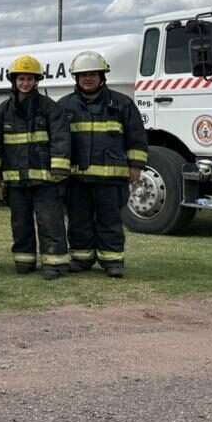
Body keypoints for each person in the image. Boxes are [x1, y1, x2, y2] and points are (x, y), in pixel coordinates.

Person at [58, 51, 148, 278]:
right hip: (77, 177)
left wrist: (136, 166)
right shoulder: (64, 106)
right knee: (79, 220)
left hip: (111, 177)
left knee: (110, 220)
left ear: (102, 76)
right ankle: (81, 258)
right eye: (83, 75)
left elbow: (136, 137)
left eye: (92, 74)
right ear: (76, 78)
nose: (88, 78)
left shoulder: (121, 104)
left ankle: (112, 261)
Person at [0, 55, 71, 280]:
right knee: (20, 223)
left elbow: (61, 140)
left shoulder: (50, 109)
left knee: (50, 222)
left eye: (30, 79)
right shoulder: (3, 111)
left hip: (46, 181)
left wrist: (59, 172)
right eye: (21, 79)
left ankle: (55, 263)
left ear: (37, 81)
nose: (25, 83)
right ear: (14, 81)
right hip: (16, 181)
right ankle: (25, 261)